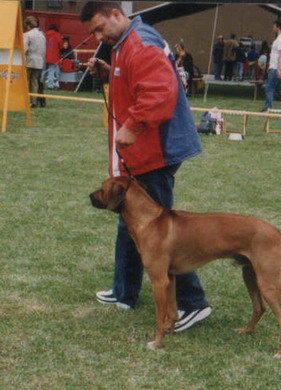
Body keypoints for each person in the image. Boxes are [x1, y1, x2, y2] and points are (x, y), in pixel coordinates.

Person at [80, 1, 211, 331]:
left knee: (159, 230)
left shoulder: (141, 42)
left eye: (99, 28)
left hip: (156, 149)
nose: (97, 36)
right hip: (144, 150)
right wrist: (110, 73)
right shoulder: (124, 43)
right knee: (130, 219)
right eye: (92, 32)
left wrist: (133, 125)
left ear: (115, 14)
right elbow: (139, 81)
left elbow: (159, 94)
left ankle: (193, 304)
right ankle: (125, 292)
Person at [23, 16, 46, 108]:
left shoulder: (27, 34)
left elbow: (24, 49)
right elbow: (44, 50)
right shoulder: (42, 35)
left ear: (28, 25)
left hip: (29, 60)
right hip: (39, 62)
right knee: (34, 82)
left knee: (25, 81)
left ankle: (24, 100)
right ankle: (33, 102)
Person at [43, 25, 63, 90]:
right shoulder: (57, 35)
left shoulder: (45, 34)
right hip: (53, 56)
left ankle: (40, 84)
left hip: (44, 54)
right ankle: (50, 85)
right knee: (51, 70)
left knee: (43, 70)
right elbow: (61, 45)